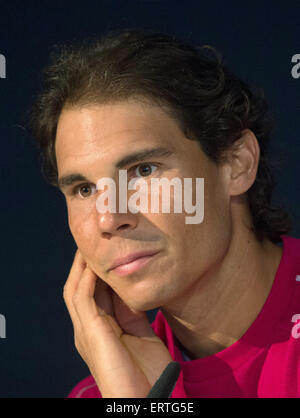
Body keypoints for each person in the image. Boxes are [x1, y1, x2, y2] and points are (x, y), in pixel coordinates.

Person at [27, 28, 300, 398]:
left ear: (236, 164)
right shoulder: (107, 392)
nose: (109, 218)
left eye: (143, 170)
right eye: (85, 190)